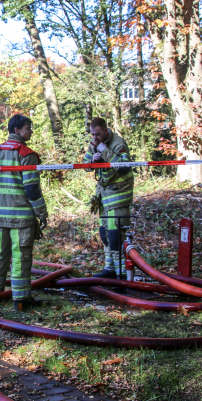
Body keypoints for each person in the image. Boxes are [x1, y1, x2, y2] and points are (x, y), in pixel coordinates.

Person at [0, 114, 48, 311]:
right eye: (28, 128)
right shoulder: (26, 154)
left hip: (0, 218)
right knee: (20, 258)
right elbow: (32, 189)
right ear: (16, 130)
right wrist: (42, 213)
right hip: (21, 219)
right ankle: (20, 301)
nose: (30, 132)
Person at [84, 117, 135, 280]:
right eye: (92, 135)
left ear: (106, 131)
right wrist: (93, 160)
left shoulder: (118, 143)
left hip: (118, 197)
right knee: (105, 234)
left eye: (98, 134)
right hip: (103, 197)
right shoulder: (94, 143)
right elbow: (85, 164)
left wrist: (104, 151)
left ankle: (122, 275)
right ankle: (110, 269)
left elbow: (124, 168)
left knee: (115, 236)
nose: (95, 138)